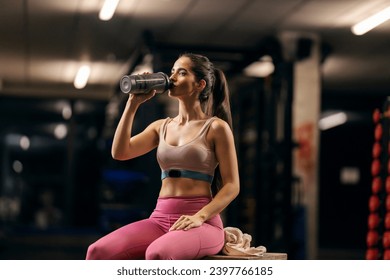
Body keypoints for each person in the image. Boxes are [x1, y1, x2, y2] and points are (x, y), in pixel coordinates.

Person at [86, 53, 240, 260]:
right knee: (97, 252)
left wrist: (200, 216)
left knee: (157, 254)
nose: (173, 77)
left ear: (199, 84)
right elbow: (120, 152)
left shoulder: (215, 127)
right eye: (172, 71)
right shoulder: (161, 127)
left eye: (182, 72)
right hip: (159, 218)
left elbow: (232, 185)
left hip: (201, 221)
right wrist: (132, 104)